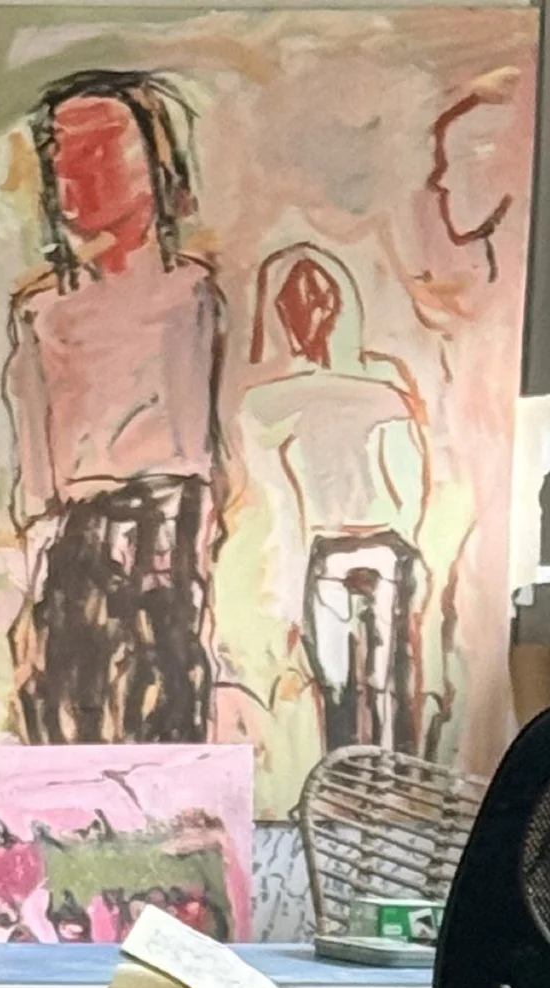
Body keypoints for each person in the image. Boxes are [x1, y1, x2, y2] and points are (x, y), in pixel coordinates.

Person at [3, 72, 223, 743]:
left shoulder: (190, 294)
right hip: (74, 532)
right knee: (73, 696)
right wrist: (40, 541)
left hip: (168, 518)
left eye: (100, 153)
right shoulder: (44, 312)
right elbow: (35, 456)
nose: (78, 176)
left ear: (156, 165)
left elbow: (202, 436)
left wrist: (199, 538)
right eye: (62, 159)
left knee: (168, 688)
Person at [228, 244, 433, 759]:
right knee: (343, 678)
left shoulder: (368, 383)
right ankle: (349, 778)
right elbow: (276, 485)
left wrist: (411, 530)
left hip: (377, 542)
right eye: (297, 307)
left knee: (377, 676)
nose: (310, 318)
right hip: (342, 544)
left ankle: (384, 776)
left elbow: (411, 467)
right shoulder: (289, 395)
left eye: (318, 303)